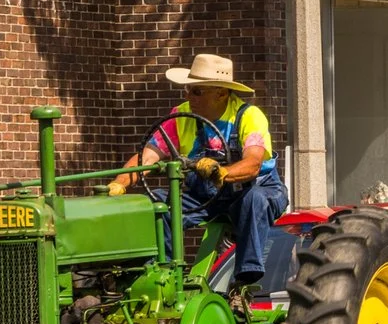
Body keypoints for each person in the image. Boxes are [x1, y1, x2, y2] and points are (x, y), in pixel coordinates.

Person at [106, 52, 293, 292]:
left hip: (256, 190)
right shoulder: (180, 116)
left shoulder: (248, 116)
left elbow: (253, 163)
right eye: (188, 89)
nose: (188, 96)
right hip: (205, 197)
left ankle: (245, 282)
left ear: (221, 93)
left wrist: (220, 173)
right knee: (158, 203)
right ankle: (164, 276)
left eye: (196, 91)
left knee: (254, 200)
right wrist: (119, 183)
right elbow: (147, 156)